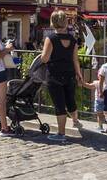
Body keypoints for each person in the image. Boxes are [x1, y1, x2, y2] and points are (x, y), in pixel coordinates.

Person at [38, 10, 89, 143]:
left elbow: (44, 58)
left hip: (54, 75)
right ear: (65, 22)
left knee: (60, 105)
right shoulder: (72, 39)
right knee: (70, 99)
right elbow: (75, 60)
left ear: (53, 22)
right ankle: (76, 121)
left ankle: (61, 133)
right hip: (69, 73)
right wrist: (79, 74)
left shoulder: (51, 39)